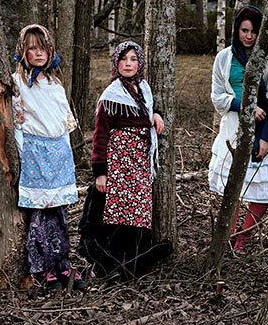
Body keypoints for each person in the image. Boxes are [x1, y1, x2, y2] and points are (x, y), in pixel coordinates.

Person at [81, 41, 172, 279]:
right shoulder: (111, 96)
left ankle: (133, 262)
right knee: (117, 212)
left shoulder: (144, 90)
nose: (128, 64)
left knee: (137, 212)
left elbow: (144, 113)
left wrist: (155, 114)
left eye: (133, 59)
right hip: (119, 161)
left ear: (140, 63)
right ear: (116, 63)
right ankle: (110, 264)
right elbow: (100, 136)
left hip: (140, 162)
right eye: (124, 59)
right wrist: (100, 172)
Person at [12, 24, 85, 291]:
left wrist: (66, 155)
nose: (38, 53)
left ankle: (62, 265)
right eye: (31, 48)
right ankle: (41, 269)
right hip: (35, 154)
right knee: (39, 217)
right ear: (24, 51)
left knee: (60, 214)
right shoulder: (18, 82)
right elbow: (17, 124)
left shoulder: (55, 84)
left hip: (59, 154)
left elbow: (65, 124)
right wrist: (25, 156)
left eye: (42, 48)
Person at [208, 5, 268, 253]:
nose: (249, 36)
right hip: (233, 128)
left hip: (261, 129)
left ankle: (244, 238)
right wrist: (245, 106)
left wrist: (264, 138)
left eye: (253, 31)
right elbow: (218, 96)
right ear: (236, 30)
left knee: (261, 186)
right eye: (244, 30)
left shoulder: (267, 58)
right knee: (234, 186)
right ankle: (228, 236)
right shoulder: (224, 58)